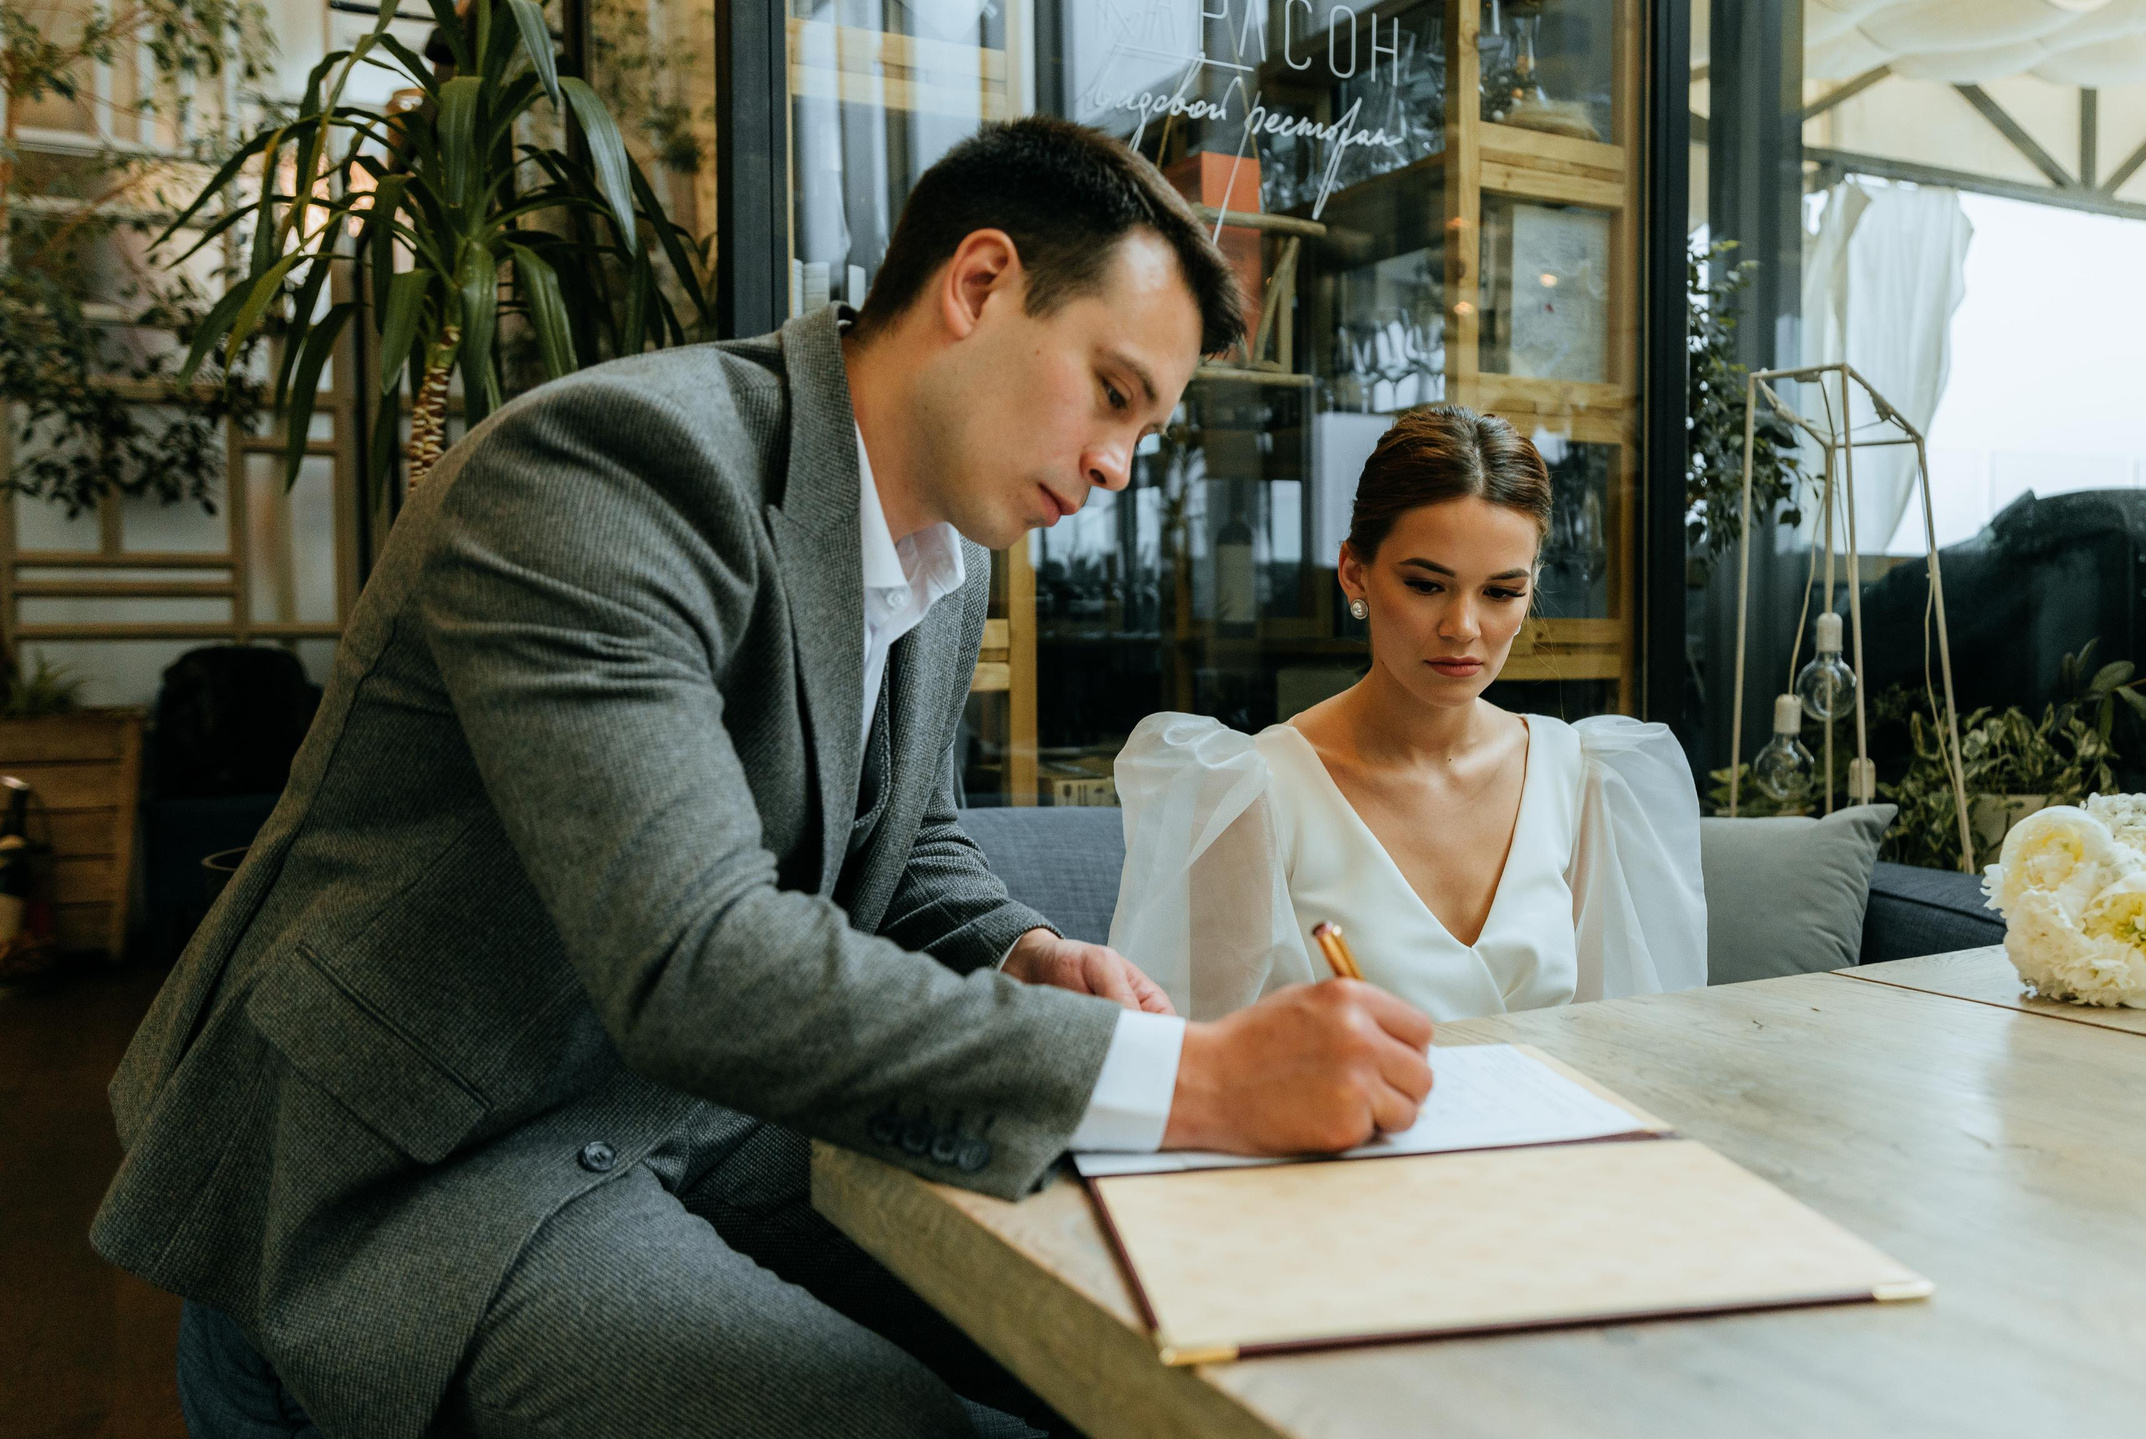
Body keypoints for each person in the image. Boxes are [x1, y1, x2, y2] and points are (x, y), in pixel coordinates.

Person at [91, 116, 1434, 1439]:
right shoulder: (607, 472)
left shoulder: (942, 556)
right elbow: (696, 959)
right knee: (882, 1417)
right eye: (1114, 391)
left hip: (699, 1116)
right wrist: (1194, 1073)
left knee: (1153, 1292)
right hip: (426, 1158)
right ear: (979, 285)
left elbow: (901, 842)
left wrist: (1018, 945)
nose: (1116, 464)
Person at [1110, 405, 1711, 1021]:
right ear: (1355, 573)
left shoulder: (1582, 777)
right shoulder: (1249, 792)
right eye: (1426, 585)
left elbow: (1626, 1037)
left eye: (1501, 593)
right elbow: (1198, 1063)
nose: (1463, 628)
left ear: (1532, 587)